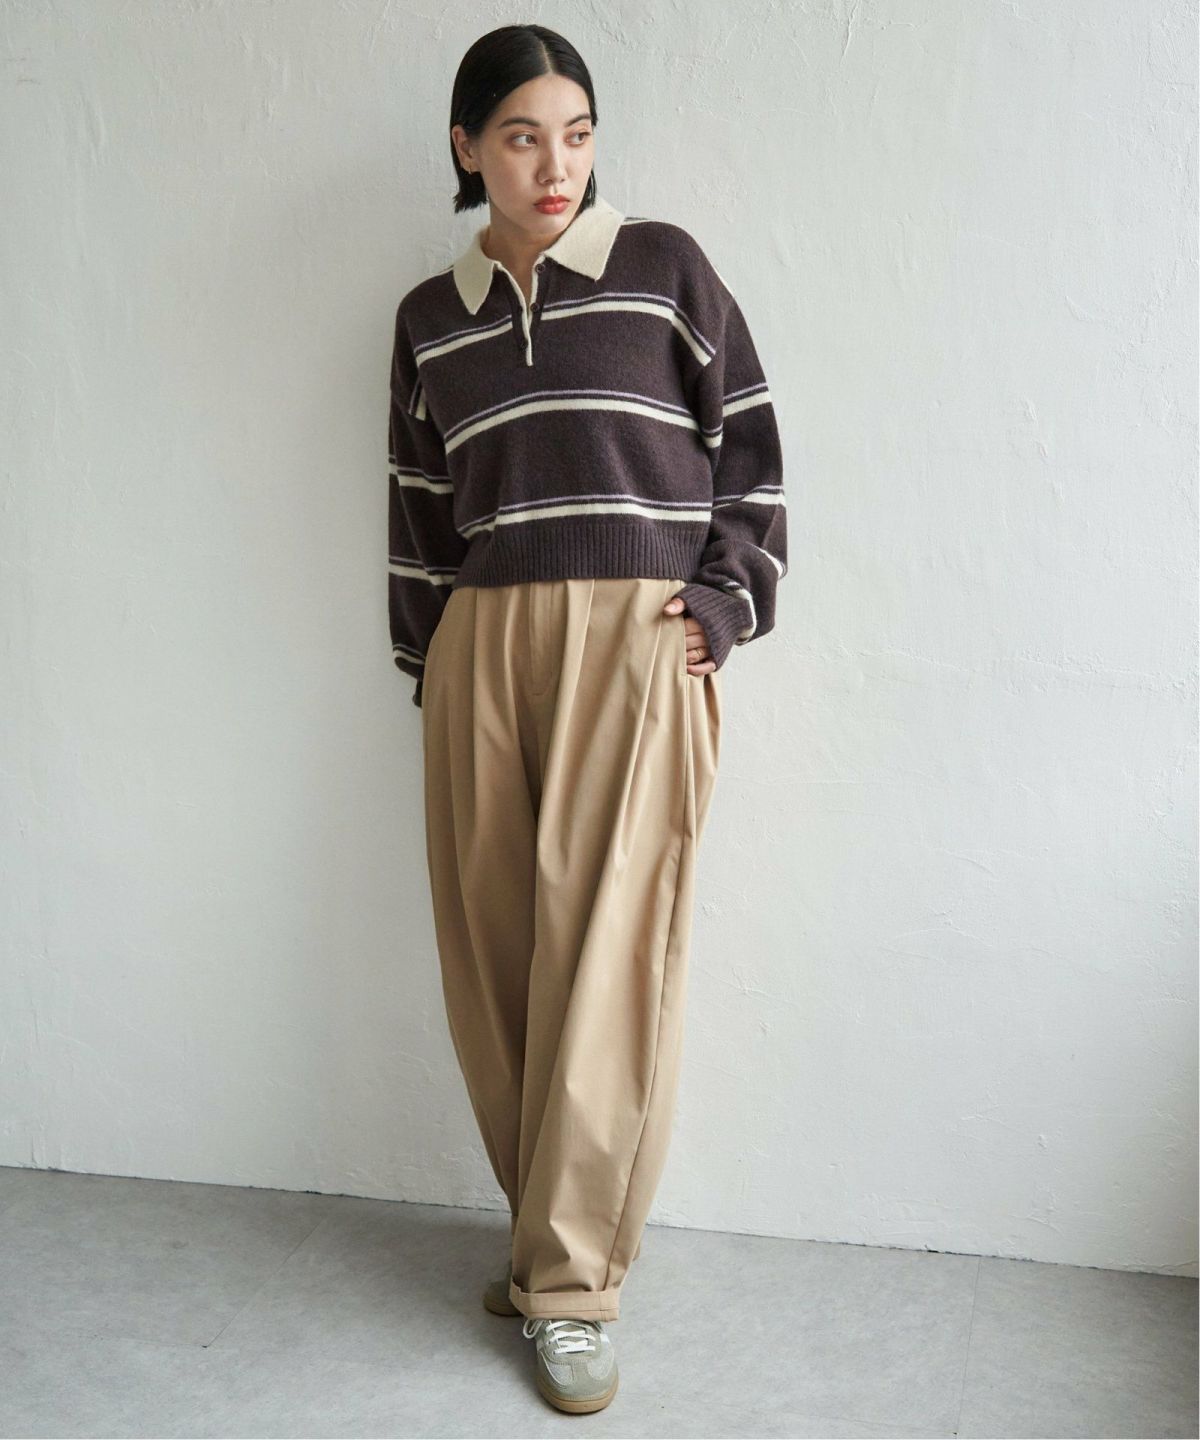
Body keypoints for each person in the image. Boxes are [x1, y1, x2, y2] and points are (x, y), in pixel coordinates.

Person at [387, 23, 787, 1416]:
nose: (553, 164)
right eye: (520, 136)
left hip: (640, 639)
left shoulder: (664, 269)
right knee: (495, 967)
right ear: (467, 149)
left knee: (611, 961)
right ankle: (542, 1237)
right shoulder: (428, 317)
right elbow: (417, 508)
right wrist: (429, 666)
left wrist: (724, 603)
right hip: (482, 645)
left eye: (575, 133)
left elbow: (753, 454)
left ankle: (570, 1289)